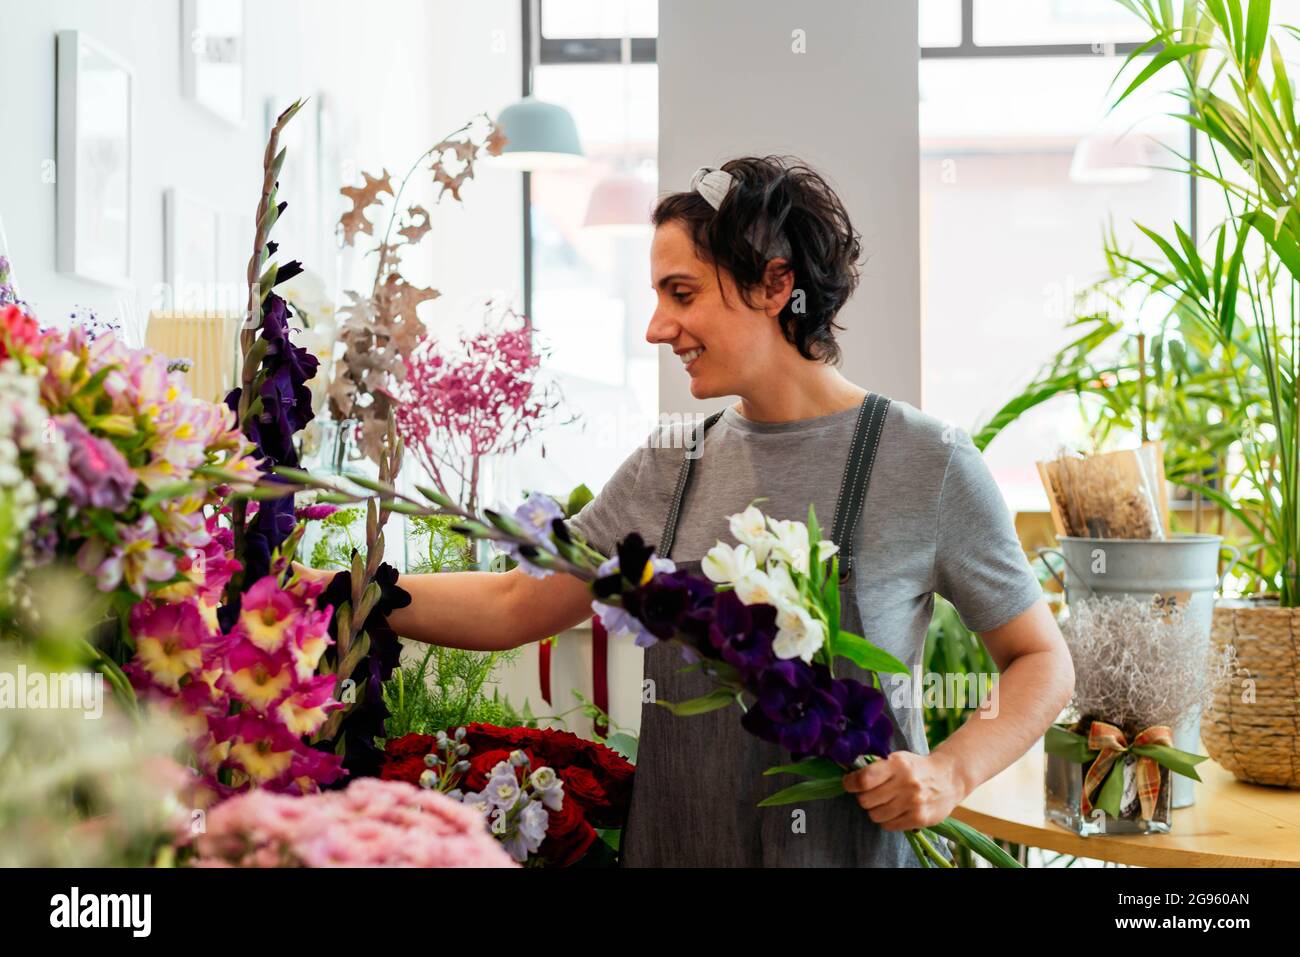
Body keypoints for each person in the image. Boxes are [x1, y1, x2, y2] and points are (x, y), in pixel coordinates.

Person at [326, 156, 1073, 866]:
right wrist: (337, 592)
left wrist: (951, 770)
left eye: (681, 293)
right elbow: (519, 598)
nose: (656, 327)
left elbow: (1041, 658)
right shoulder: (672, 461)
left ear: (775, 284)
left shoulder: (923, 459)